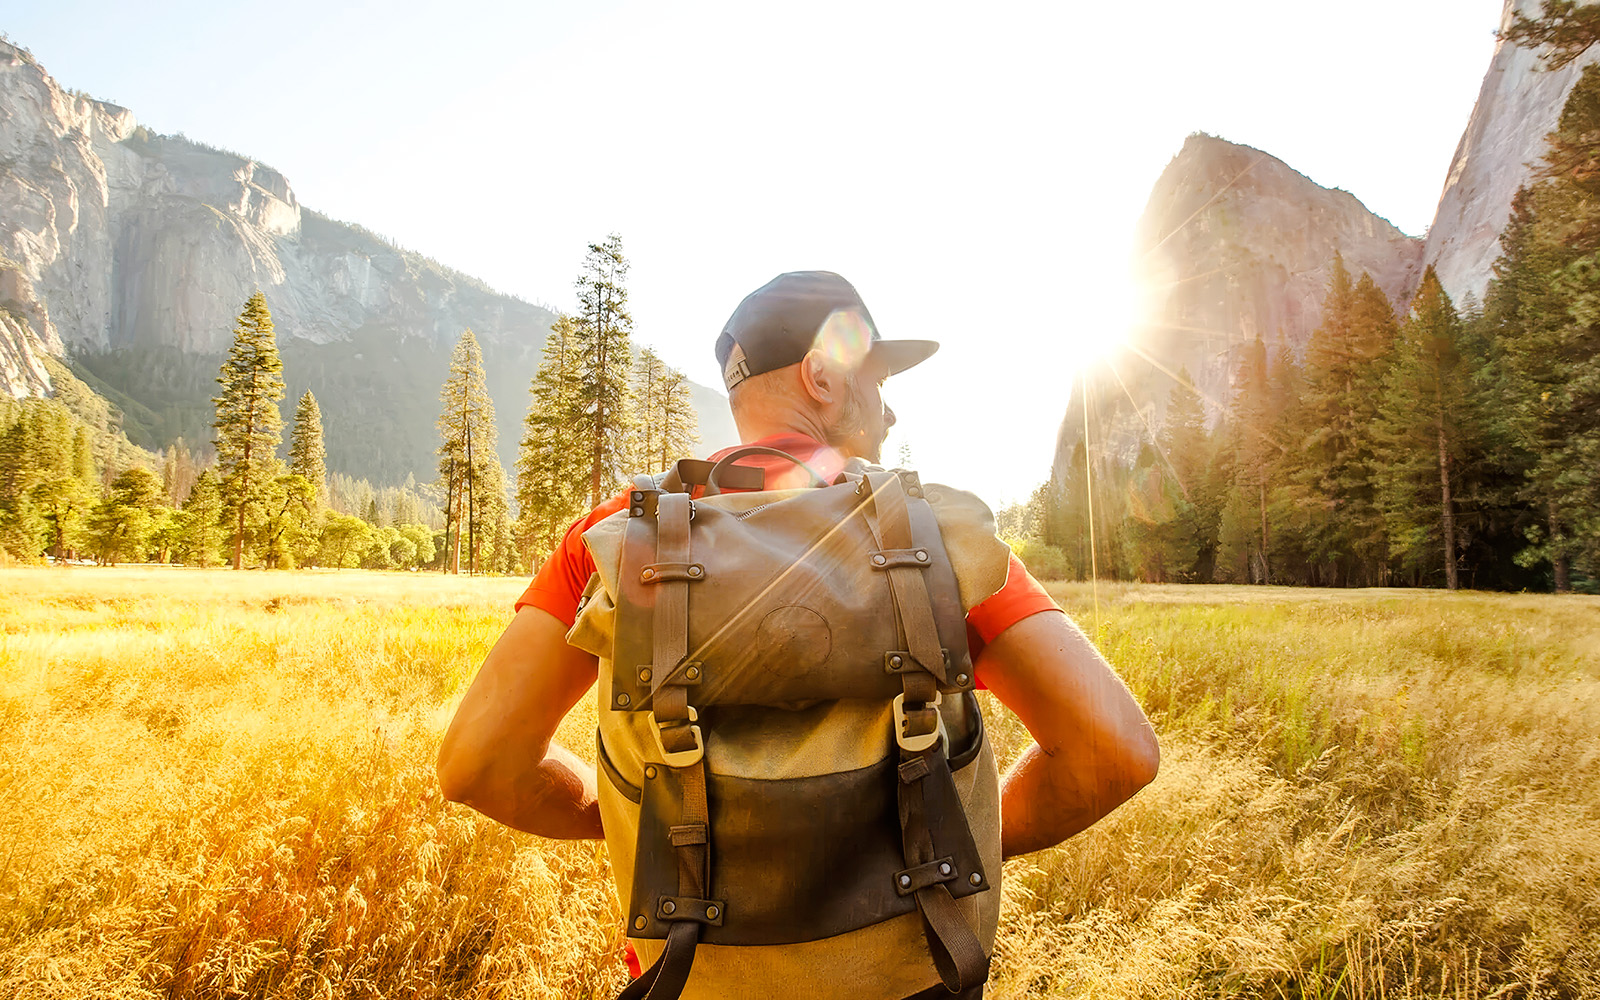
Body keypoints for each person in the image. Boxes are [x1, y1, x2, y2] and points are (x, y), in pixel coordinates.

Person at [437, 271, 1160, 998]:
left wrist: (644, 822)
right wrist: (958, 832)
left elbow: (478, 766)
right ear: (821, 375)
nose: (890, 408)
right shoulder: (935, 536)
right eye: (876, 379)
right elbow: (1115, 753)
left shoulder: (612, 540)